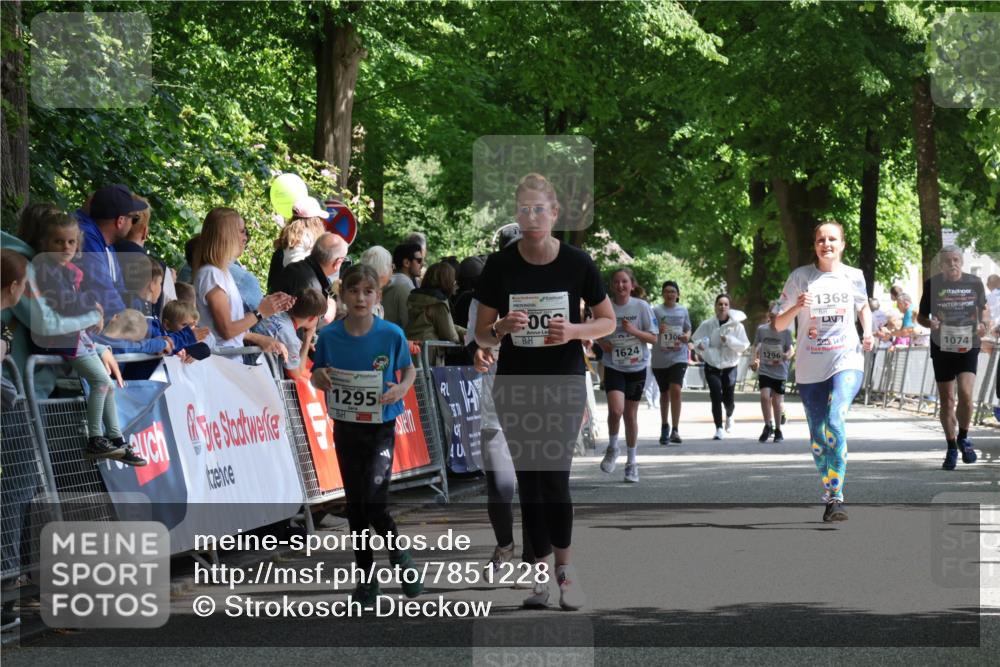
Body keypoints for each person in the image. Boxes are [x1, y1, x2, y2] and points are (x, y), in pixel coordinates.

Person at [474, 173, 615, 610]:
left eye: (540, 209)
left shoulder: (578, 263)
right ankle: (539, 579)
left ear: (554, 214)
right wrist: (500, 327)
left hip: (563, 382)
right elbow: (480, 336)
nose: (532, 216)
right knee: (530, 485)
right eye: (524, 209)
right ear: (517, 215)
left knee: (554, 479)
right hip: (516, 384)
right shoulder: (500, 266)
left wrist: (574, 329)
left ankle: (566, 574)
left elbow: (606, 321)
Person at [310, 264, 422, 605]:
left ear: (377, 295)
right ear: (343, 295)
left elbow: (409, 370)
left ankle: (400, 558)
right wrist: (322, 379)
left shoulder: (390, 334)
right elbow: (316, 374)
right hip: (346, 427)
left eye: (368, 291)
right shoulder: (329, 336)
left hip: (381, 426)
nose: (361, 298)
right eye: (354, 291)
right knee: (356, 508)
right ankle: (367, 580)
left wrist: (400, 389)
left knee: (374, 502)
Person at [775, 221, 873, 522]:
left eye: (832, 239)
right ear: (814, 245)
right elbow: (777, 323)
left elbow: (863, 308)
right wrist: (796, 307)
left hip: (847, 358)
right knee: (818, 436)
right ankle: (829, 493)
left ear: (842, 244)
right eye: (821, 239)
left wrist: (867, 332)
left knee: (835, 417)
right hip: (810, 366)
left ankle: (837, 497)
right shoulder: (800, 278)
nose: (826, 244)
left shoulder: (854, 276)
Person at [30, 211, 145, 466]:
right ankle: (95, 438)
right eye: (58, 242)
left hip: (79, 336)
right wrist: (92, 306)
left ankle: (115, 437)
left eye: (71, 242)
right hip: (64, 339)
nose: (65, 247)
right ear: (45, 244)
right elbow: (63, 301)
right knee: (101, 381)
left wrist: (91, 310)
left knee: (109, 385)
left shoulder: (68, 270)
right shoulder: (45, 268)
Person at [916, 246, 989, 470]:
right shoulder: (932, 285)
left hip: (968, 344)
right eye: (948, 261)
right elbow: (920, 317)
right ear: (941, 265)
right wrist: (930, 323)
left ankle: (963, 437)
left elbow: (984, 310)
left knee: (966, 395)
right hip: (942, 345)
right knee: (947, 399)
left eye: (956, 260)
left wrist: (984, 324)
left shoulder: (974, 282)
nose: (953, 264)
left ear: (962, 262)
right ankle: (950, 447)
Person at [192, 207, 294, 355]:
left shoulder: (220, 272)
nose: (245, 237)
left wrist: (270, 306)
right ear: (226, 235)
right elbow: (226, 331)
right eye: (241, 231)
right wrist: (260, 312)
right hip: (221, 364)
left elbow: (229, 327)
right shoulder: (211, 274)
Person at [597, 268, 657, 483]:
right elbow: (595, 332)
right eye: (616, 282)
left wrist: (633, 331)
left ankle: (632, 463)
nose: (620, 286)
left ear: (632, 285)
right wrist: (602, 343)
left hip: (637, 367)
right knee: (616, 410)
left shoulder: (641, 307)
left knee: (630, 416)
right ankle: (613, 447)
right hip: (613, 365)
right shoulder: (606, 306)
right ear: (612, 285)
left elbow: (653, 338)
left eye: (624, 282)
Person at [77, 184, 147, 318]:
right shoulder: (86, 238)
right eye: (134, 219)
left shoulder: (108, 245)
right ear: (120, 221)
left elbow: (121, 290)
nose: (133, 225)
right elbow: (105, 296)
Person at [692, 294, 750, 440]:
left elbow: (743, 346)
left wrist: (729, 339)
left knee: (728, 397)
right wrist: (701, 346)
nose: (722, 306)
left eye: (725, 304)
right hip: (712, 364)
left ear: (729, 307)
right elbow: (696, 341)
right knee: (716, 395)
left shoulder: (737, 326)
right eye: (720, 304)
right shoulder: (707, 324)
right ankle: (718, 428)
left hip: (730, 365)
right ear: (715, 306)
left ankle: (729, 414)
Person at [650, 280, 692, 445]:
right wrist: (656, 330)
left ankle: (675, 428)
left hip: (679, 355)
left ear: (678, 294)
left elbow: (688, 328)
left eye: (673, 291)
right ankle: (664, 425)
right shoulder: (656, 311)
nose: (670, 294)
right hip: (660, 357)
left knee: (675, 389)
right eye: (667, 291)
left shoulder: (683, 310)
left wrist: (687, 336)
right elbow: (649, 328)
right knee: (664, 393)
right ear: (663, 294)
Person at [275, 232, 348, 324]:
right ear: (337, 262)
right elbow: (310, 325)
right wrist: (332, 305)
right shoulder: (313, 290)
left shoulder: (293, 267)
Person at [258, 288, 327, 379]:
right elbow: (295, 374)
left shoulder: (274, 310)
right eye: (320, 317)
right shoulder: (291, 340)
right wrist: (307, 340)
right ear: (311, 318)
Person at [749, 302, 794, 443]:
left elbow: (791, 349)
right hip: (765, 369)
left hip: (780, 370)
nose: (777, 318)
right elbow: (755, 346)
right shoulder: (762, 330)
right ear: (770, 315)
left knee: (777, 400)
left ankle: (778, 430)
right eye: (774, 315)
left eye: (780, 316)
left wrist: (787, 355)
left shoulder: (786, 332)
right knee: (764, 396)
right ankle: (768, 425)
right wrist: (754, 360)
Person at [266, 197, 329, 292]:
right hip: (303, 289)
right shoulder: (309, 237)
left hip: (285, 289)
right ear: (315, 220)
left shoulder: (289, 237)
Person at [405, 261, 465, 345]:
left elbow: (444, 324)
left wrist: (462, 332)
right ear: (446, 280)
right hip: (429, 354)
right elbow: (451, 336)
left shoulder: (416, 297)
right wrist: (465, 338)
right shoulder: (438, 302)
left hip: (413, 349)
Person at [382, 242, 424, 328]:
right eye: (419, 261)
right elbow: (409, 324)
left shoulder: (390, 281)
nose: (422, 264)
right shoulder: (405, 286)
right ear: (406, 263)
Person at [360, 245, 393, 319]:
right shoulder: (369, 293)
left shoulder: (363, 289)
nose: (392, 270)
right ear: (383, 268)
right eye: (391, 266)